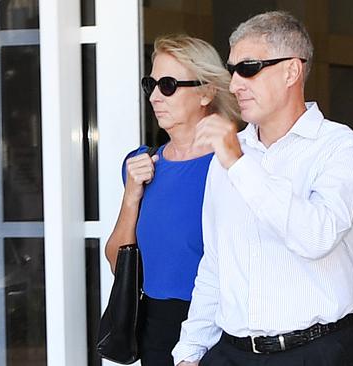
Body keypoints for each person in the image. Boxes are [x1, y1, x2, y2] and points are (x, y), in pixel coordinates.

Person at [172, 11, 353, 366]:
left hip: (316, 353)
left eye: (248, 68)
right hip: (230, 352)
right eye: (232, 70)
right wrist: (190, 350)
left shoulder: (343, 148)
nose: (234, 84)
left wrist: (239, 163)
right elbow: (216, 262)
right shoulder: (230, 154)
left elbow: (315, 237)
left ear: (292, 71)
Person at [104, 34, 240, 366]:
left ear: (207, 91)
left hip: (221, 326)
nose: (154, 97)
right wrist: (131, 196)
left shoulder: (233, 162)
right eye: (150, 84)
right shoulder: (141, 163)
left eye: (167, 85)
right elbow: (115, 261)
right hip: (155, 327)